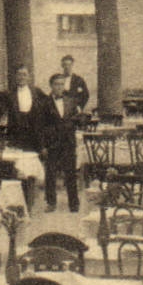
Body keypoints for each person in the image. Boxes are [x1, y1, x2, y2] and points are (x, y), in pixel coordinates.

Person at [44, 73, 83, 212]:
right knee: (50, 173)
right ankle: (51, 203)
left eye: (61, 84)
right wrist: (46, 143)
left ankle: (74, 203)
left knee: (71, 173)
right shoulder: (45, 102)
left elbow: (77, 119)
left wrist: (77, 119)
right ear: (51, 86)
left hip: (68, 142)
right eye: (56, 84)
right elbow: (41, 125)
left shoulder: (71, 101)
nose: (59, 87)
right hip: (52, 142)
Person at [4, 65, 50, 154]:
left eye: (24, 74)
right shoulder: (9, 93)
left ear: (29, 76)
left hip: (33, 132)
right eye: (19, 74)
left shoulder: (37, 91)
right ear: (15, 76)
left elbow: (49, 105)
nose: (22, 77)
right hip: (16, 133)